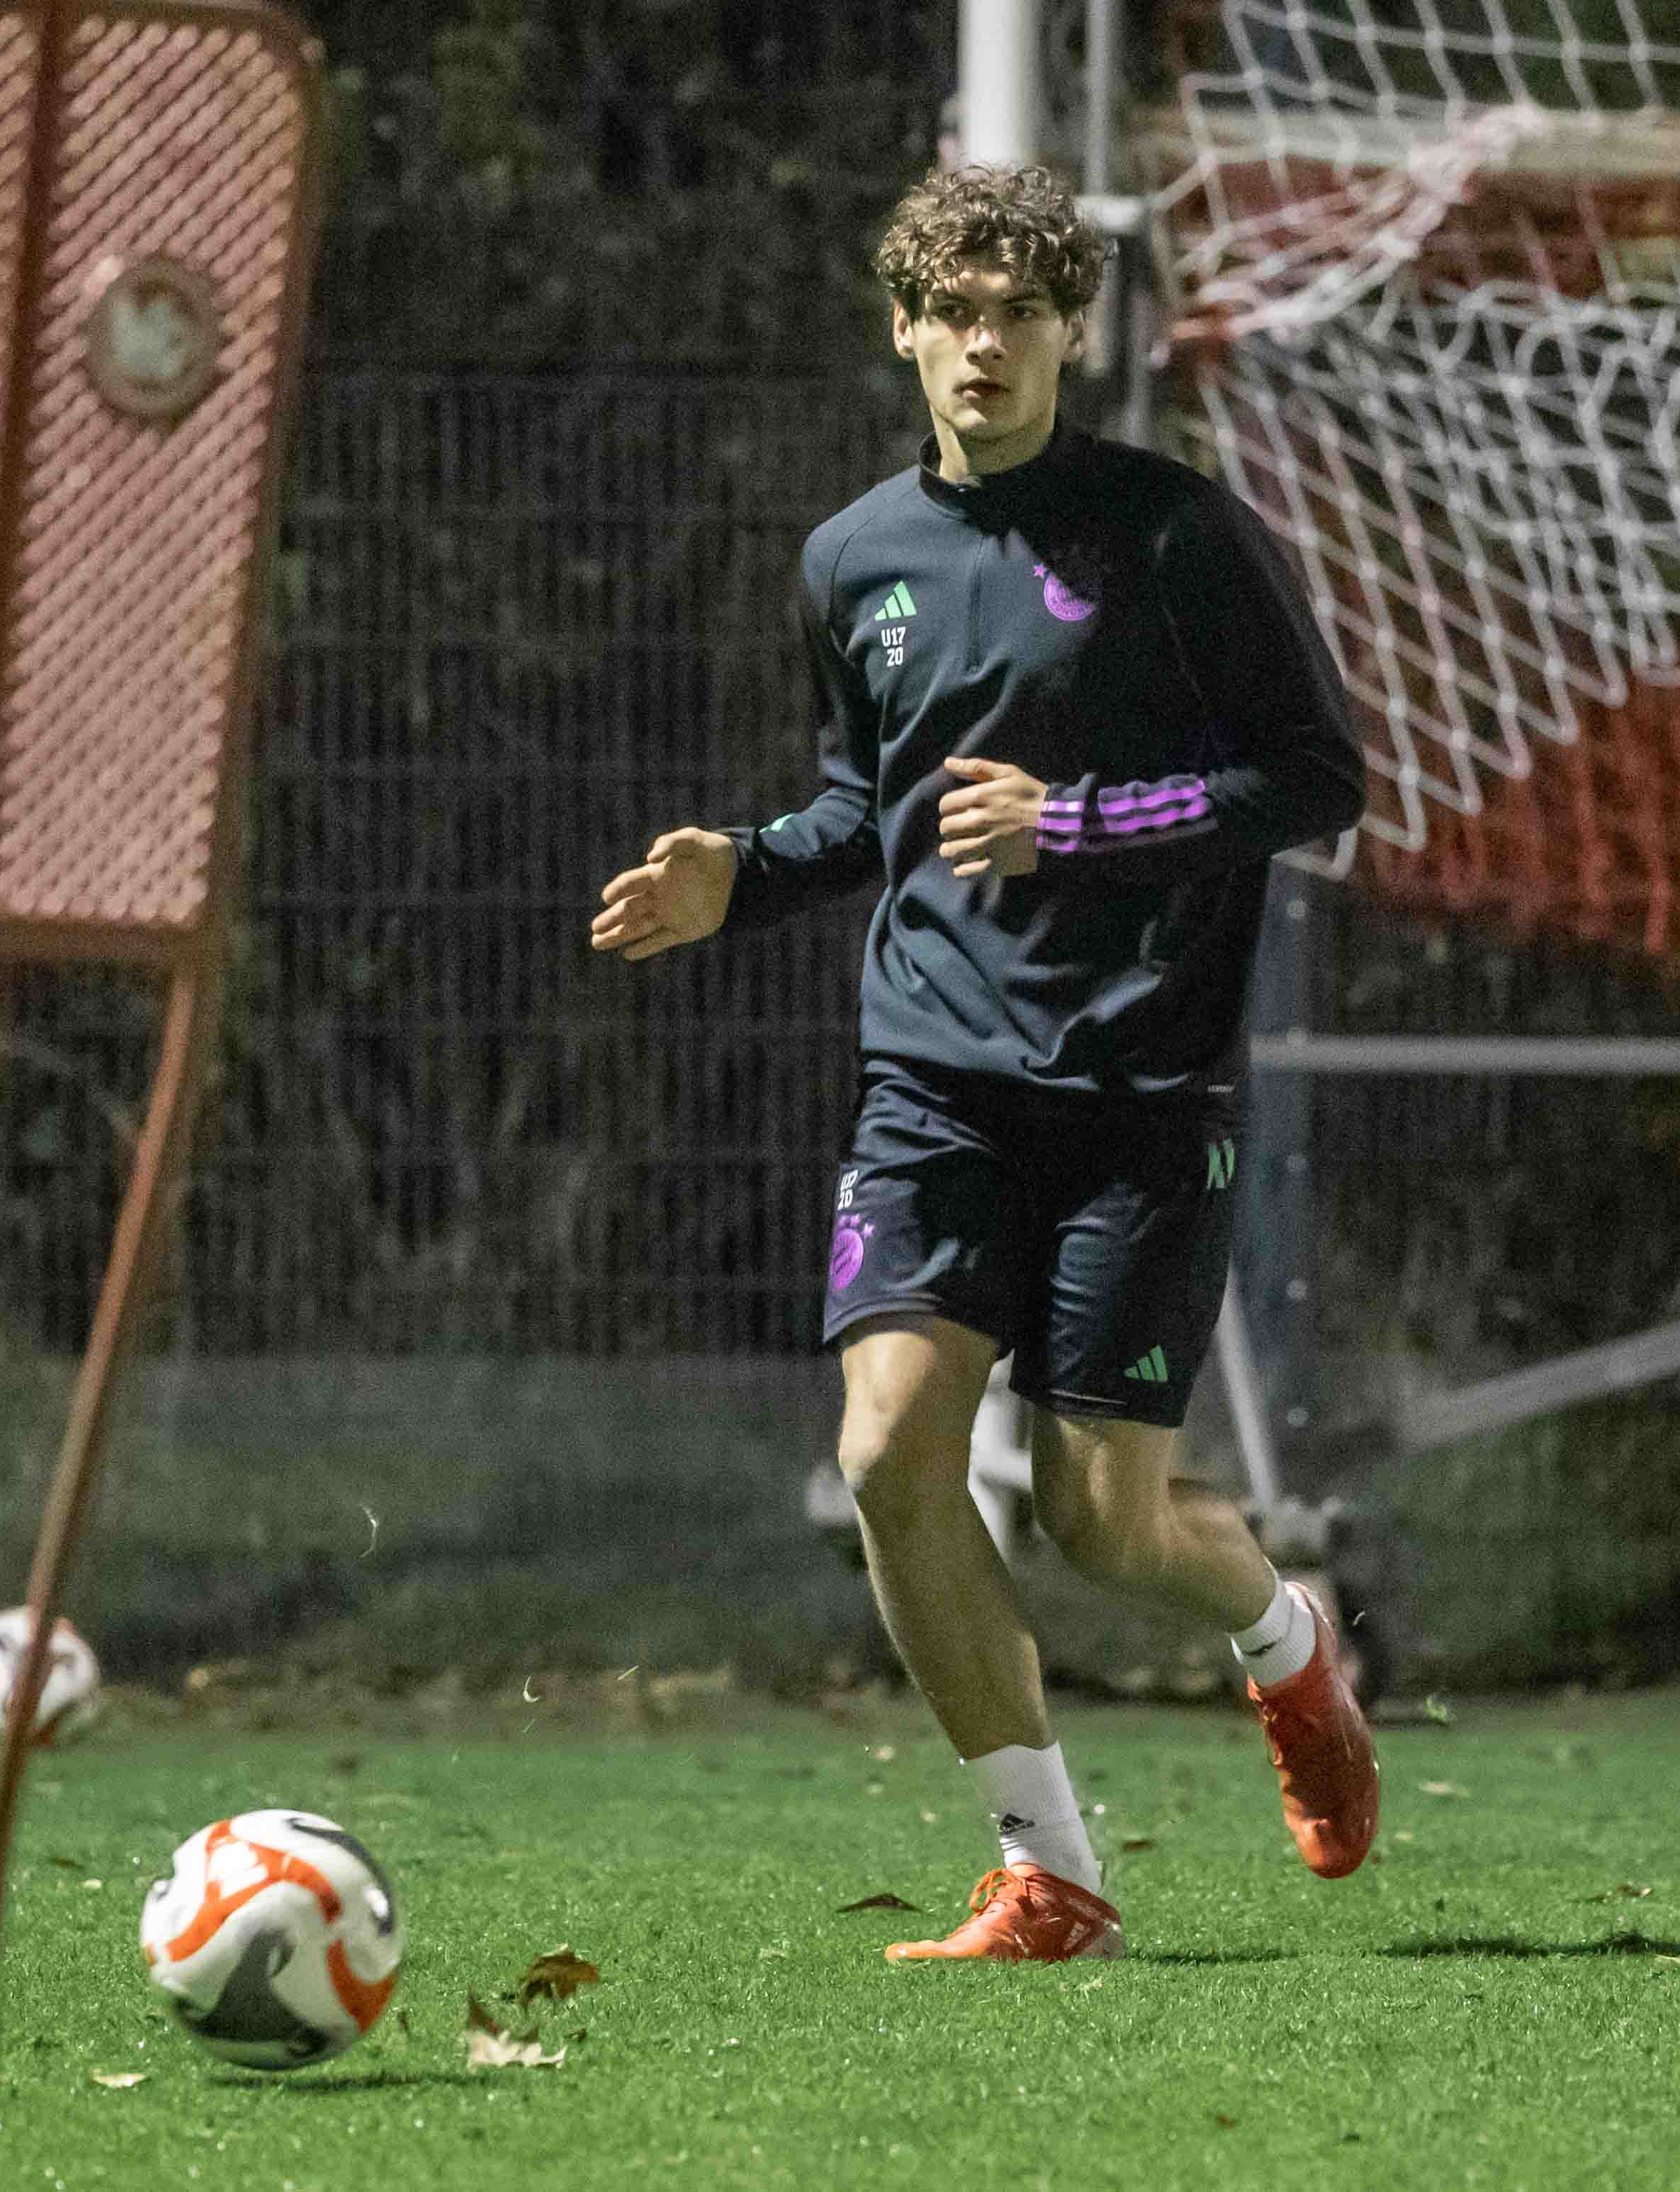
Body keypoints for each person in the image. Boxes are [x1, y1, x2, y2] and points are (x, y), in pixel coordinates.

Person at [586, 163, 1378, 1961]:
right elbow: (873, 811)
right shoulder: (851, 560)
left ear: (1069, 336)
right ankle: (1050, 1871)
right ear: (904, 330)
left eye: (1020, 313)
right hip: (932, 1079)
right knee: (887, 1455)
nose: (985, 346)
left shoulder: (1175, 535)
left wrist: (1084, 825)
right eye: (954, 313)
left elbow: (1315, 778)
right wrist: (747, 872)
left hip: (1140, 1094)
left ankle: (1287, 1647)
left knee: (1106, 1524)